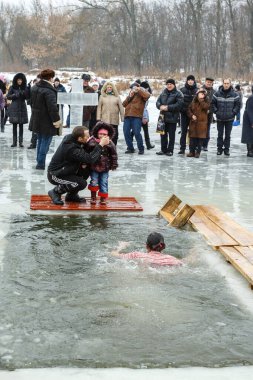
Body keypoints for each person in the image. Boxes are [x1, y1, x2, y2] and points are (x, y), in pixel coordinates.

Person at [47, 126, 110, 205]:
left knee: (85, 171)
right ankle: (55, 192)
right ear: (80, 138)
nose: (89, 137)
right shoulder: (71, 148)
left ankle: (71, 195)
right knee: (81, 183)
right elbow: (90, 158)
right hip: (56, 174)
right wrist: (101, 145)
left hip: (67, 171)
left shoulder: (75, 139)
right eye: (87, 136)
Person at [29, 68, 61, 170]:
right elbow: (52, 108)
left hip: (36, 118)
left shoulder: (34, 87)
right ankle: (41, 163)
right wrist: (56, 120)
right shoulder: (49, 90)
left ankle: (39, 161)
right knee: (45, 142)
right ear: (51, 78)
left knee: (40, 141)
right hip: (47, 121)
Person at [87, 122, 118, 205]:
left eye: (104, 134)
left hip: (105, 167)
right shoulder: (92, 141)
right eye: (100, 133)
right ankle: (93, 197)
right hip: (94, 166)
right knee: (94, 181)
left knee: (104, 182)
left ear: (108, 135)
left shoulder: (110, 143)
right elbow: (87, 152)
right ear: (97, 133)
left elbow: (114, 155)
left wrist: (114, 164)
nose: (102, 136)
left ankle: (103, 198)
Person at [112, 232, 183, 267]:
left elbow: (114, 254)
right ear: (163, 246)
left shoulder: (136, 255)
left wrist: (121, 247)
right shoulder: (172, 259)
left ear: (146, 246)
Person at [212, 78, 240, 156]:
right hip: (220, 118)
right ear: (223, 83)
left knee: (228, 135)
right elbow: (212, 104)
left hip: (230, 118)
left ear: (230, 84)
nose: (226, 85)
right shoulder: (217, 94)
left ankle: (226, 149)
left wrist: (233, 112)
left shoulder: (235, 94)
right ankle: (219, 149)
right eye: (225, 83)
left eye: (228, 83)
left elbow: (238, 105)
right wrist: (216, 111)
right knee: (220, 135)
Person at [156, 79, 184, 156]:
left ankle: (170, 150)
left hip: (173, 117)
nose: (169, 85)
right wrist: (160, 106)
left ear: (174, 85)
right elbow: (158, 102)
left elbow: (179, 105)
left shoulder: (178, 93)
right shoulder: (163, 92)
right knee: (163, 134)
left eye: (171, 84)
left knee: (171, 135)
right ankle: (163, 149)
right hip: (163, 117)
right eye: (167, 84)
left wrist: (168, 107)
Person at [123, 81, 150, 155]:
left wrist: (139, 90)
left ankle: (141, 148)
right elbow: (124, 104)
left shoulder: (141, 95)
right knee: (126, 133)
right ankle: (130, 148)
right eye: (132, 88)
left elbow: (147, 96)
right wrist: (130, 96)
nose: (133, 89)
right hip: (127, 116)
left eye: (134, 88)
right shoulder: (130, 95)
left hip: (137, 117)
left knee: (137, 133)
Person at [97, 81, 124, 145]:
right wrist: (98, 117)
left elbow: (121, 107)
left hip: (114, 118)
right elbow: (99, 108)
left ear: (113, 88)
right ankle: (106, 146)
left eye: (110, 87)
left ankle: (114, 146)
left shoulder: (117, 97)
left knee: (115, 134)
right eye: (108, 87)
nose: (109, 88)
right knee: (105, 133)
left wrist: (122, 117)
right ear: (105, 88)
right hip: (105, 118)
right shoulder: (102, 96)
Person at [7, 72, 29, 148]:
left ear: (23, 80)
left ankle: (20, 142)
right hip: (14, 108)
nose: (19, 81)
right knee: (14, 125)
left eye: (21, 80)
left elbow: (27, 97)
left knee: (21, 126)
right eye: (18, 80)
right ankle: (14, 142)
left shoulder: (24, 87)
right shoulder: (12, 87)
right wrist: (15, 95)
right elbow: (8, 96)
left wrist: (26, 92)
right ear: (16, 80)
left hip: (22, 107)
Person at [187, 89, 210, 158]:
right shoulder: (193, 102)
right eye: (200, 93)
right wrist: (191, 115)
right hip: (193, 123)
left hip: (202, 124)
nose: (201, 95)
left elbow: (206, 107)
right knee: (192, 138)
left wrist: (201, 100)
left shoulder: (206, 102)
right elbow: (188, 110)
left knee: (200, 139)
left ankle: (198, 152)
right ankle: (191, 152)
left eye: (203, 94)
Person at [179, 75, 198, 154]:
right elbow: (180, 102)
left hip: (193, 115)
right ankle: (182, 148)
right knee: (183, 132)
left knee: (193, 132)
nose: (190, 81)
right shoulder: (182, 90)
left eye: (192, 80)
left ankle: (192, 148)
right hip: (184, 114)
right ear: (187, 81)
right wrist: (183, 110)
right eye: (189, 80)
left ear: (194, 81)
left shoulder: (197, 91)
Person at [139, 81, 155, 150]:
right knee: (144, 131)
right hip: (141, 116)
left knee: (135, 131)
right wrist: (145, 117)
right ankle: (148, 145)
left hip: (138, 115)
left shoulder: (139, 93)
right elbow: (143, 108)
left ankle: (148, 144)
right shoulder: (144, 95)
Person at [201, 77, 215, 151]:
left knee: (207, 129)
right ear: (205, 82)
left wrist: (210, 110)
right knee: (200, 129)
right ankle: (199, 144)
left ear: (212, 83)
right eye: (207, 82)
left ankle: (205, 145)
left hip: (209, 114)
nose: (209, 83)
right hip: (201, 113)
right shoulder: (201, 90)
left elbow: (215, 104)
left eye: (210, 82)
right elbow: (197, 101)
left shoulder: (214, 92)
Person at [241, 85, 253, 157]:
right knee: (249, 135)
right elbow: (250, 110)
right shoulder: (251, 98)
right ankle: (250, 151)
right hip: (249, 119)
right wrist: (252, 121)